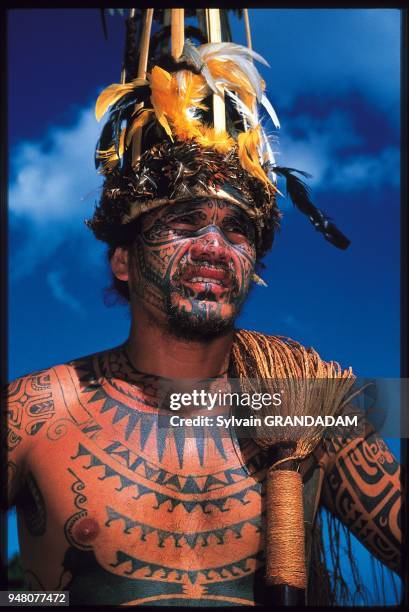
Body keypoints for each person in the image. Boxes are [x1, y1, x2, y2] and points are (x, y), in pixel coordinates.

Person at [3, 8, 401, 606]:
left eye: (238, 230)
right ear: (122, 260)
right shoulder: (33, 414)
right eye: (185, 221)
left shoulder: (311, 405)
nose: (215, 246)